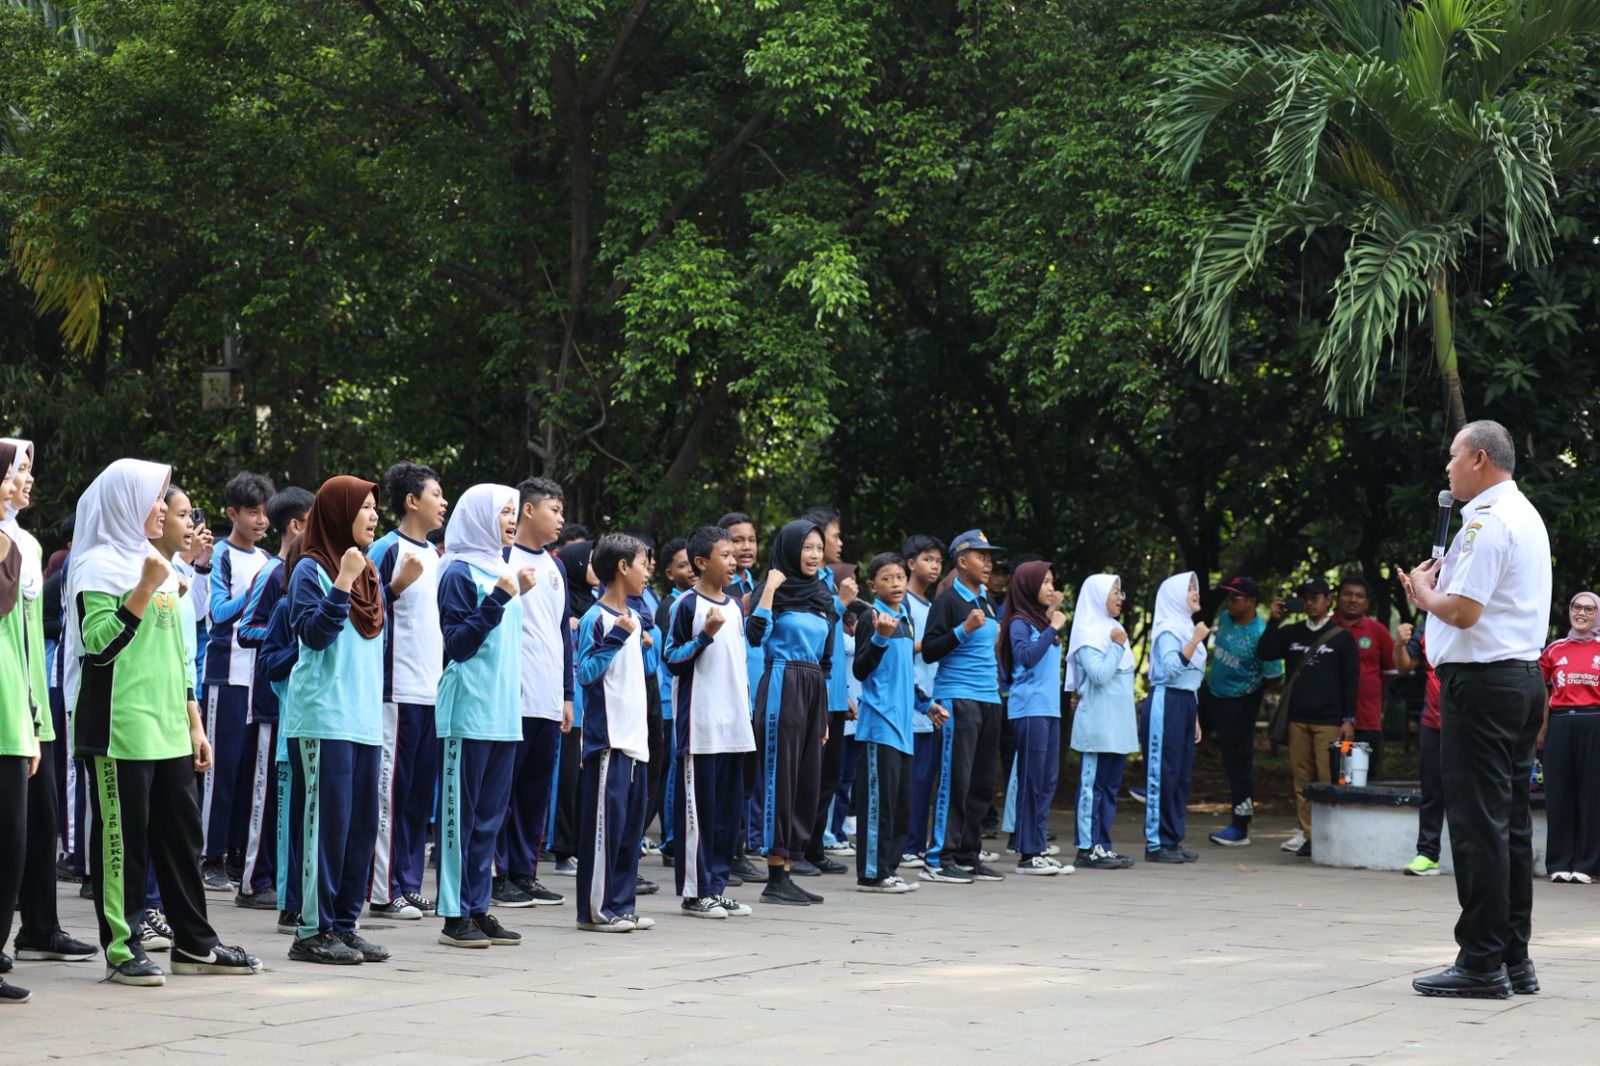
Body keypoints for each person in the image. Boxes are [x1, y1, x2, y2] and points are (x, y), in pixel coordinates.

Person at [68, 458, 261, 986]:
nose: (164, 510)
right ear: (127, 503)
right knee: (122, 843)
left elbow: (180, 655)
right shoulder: (98, 566)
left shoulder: (160, 566)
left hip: (170, 727)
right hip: (118, 729)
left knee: (183, 840)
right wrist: (141, 589)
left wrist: (195, 723)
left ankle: (195, 944)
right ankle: (123, 947)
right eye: (156, 499)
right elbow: (97, 645)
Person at [1400, 420, 1551, 999]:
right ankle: (1514, 957)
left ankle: (1481, 961)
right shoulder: (1525, 515)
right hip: (1515, 681)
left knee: (1477, 825)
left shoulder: (1489, 522)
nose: (1448, 467)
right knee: (1508, 822)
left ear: (1481, 459)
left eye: (1454, 457)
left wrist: (1420, 591)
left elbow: (1463, 612)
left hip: (1484, 686)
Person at [283, 476, 389, 965]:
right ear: (337, 512)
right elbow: (313, 634)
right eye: (364, 507)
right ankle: (311, 930)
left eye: (374, 508)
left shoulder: (368, 572)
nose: (372, 516)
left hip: (363, 720)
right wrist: (342, 581)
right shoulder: (313, 568)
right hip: (324, 720)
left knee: (359, 827)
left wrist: (356, 576)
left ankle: (344, 924)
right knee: (324, 829)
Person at [2, 438, 97, 967]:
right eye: (19, 469)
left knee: (42, 821)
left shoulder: (32, 545)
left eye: (29, 470)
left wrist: (39, 706)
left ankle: (40, 927)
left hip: (35, 696)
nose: (27, 479)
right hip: (9, 700)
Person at [434, 484, 532, 948]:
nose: (512, 520)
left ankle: (478, 905)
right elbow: (457, 644)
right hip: (467, 711)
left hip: (502, 713)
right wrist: (497, 598)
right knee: (460, 818)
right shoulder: (457, 571)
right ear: (479, 516)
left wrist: (508, 591)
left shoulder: (503, 570)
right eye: (504, 512)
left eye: (513, 512)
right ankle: (454, 915)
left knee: (490, 819)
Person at [367, 463, 448, 920]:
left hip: (429, 690)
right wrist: (395, 587)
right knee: (389, 795)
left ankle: (410, 882)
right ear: (412, 500)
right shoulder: (385, 549)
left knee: (418, 796)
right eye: (436, 494)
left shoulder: (436, 555)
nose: (443, 502)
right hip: (394, 690)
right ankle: (383, 890)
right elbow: (364, 610)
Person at [662, 525, 756, 917]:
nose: (733, 561)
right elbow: (672, 659)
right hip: (700, 729)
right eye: (725, 555)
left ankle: (717, 885)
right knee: (698, 813)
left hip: (734, 727)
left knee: (726, 813)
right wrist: (704, 636)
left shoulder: (735, 607)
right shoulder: (686, 605)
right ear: (701, 563)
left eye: (735, 554)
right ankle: (695, 891)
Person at [231, 487, 315, 911]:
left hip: (297, 704)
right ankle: (251, 881)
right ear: (297, 526)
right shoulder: (272, 573)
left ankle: (279, 877)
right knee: (264, 795)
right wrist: (290, 634)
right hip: (268, 701)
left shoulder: (310, 571)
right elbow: (247, 629)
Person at [492, 477, 571, 908]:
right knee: (503, 790)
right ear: (527, 510)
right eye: (554, 510)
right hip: (510, 697)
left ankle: (525, 870)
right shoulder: (500, 557)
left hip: (545, 698)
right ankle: (497, 872)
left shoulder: (556, 567)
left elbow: (562, 635)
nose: (560, 519)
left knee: (535, 791)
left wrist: (566, 694)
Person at [745, 518, 833, 905]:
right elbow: (754, 635)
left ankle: (789, 868)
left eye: (819, 548)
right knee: (780, 778)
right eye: (807, 548)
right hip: (783, 681)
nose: (814, 555)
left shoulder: (822, 594)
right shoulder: (773, 588)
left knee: (805, 782)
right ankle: (774, 874)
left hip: (813, 687)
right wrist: (770, 591)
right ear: (790, 548)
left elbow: (826, 660)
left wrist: (824, 714)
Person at [573, 533, 654, 932]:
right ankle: (596, 909)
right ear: (622, 567)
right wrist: (617, 637)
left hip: (634, 740)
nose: (647, 571)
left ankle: (622, 904)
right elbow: (585, 674)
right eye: (643, 563)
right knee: (604, 828)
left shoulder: (635, 616)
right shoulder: (596, 618)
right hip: (607, 741)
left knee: (628, 829)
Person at [200, 470, 276, 893]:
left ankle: (234, 855)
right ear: (232, 513)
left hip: (257, 680)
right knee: (220, 771)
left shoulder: (267, 561)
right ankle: (209, 855)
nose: (260, 521)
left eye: (265, 513)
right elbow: (217, 612)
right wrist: (254, 595)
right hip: (225, 676)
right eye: (252, 513)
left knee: (250, 774)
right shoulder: (223, 556)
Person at [920, 529, 1007, 883]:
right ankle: (939, 856)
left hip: (988, 698)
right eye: (981, 556)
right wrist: (963, 630)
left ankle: (970, 853)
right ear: (961, 561)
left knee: (982, 783)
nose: (988, 563)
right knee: (956, 779)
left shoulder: (985, 598)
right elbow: (929, 649)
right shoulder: (949, 600)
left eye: (990, 557)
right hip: (957, 697)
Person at [846, 552, 932, 894]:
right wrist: (880, 636)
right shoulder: (871, 618)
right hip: (878, 726)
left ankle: (890, 869)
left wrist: (927, 705)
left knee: (900, 805)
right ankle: (871, 873)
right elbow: (861, 670)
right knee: (877, 805)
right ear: (873, 585)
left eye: (899, 577)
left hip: (903, 728)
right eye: (887, 578)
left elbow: (904, 674)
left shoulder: (905, 618)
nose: (895, 584)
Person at [1258, 577, 1358, 857]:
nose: (1311, 602)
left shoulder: (1341, 637)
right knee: (1301, 779)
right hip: (1297, 719)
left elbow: (1351, 681)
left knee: (1326, 778)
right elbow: (1264, 651)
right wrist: (1273, 620)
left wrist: (1348, 719)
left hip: (1329, 720)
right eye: (1307, 597)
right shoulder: (1291, 633)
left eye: (1317, 597)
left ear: (1329, 601)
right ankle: (1309, 834)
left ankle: (1328, 835)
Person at [997, 560, 1067, 875]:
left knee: (1047, 780)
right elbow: (1025, 657)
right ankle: (1027, 853)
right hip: (1029, 710)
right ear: (1027, 586)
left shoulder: (1040, 622)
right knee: (1032, 780)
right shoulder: (1018, 622)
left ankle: (1037, 846)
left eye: (1052, 582)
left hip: (1049, 709)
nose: (1051, 588)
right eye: (1045, 583)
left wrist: (1050, 624)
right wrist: (1052, 626)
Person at [1203, 576, 1282, 847]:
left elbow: (1274, 675)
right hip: (1212, 693)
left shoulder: (1260, 634)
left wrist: (1251, 690)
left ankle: (1240, 824)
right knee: (1182, 734)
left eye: (1236, 597)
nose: (1229, 602)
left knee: (1237, 762)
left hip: (1239, 702)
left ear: (1251, 602)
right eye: (1229, 597)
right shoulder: (1225, 618)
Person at [1066, 573, 1138, 870]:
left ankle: (1102, 845)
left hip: (1117, 724)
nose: (1121, 598)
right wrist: (1118, 646)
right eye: (1115, 592)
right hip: (1097, 724)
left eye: (1121, 592)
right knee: (1091, 786)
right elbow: (1098, 675)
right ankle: (1086, 847)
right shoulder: (1088, 633)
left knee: (1109, 787)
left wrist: (1118, 642)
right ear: (1097, 595)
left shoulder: (1114, 629)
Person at [0, 446, 38, 1002]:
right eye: (14, 472)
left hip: (9, 707)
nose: (23, 481)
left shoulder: (15, 542)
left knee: (12, 841)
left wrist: (30, 720)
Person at [801, 507, 853, 877]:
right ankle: (797, 848)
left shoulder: (828, 580)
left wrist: (845, 691)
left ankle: (815, 846)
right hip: (809, 694)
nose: (836, 545)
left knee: (828, 777)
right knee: (807, 776)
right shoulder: (801, 582)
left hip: (834, 694)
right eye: (832, 537)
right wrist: (841, 603)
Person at [718, 511, 768, 886]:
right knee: (724, 781)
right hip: (727, 698)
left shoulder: (757, 584)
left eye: (750, 539)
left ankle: (737, 851)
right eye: (737, 540)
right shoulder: (721, 588)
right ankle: (721, 854)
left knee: (746, 782)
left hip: (756, 696)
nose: (746, 547)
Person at [1536, 590, 1600, 885]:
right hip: (1561, 723)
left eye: (1589, 609)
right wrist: (1541, 728)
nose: (1582, 613)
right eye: (1577, 607)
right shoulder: (1554, 650)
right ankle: (1559, 862)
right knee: (1559, 794)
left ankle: (1587, 864)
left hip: (1594, 722)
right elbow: (1541, 690)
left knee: (1592, 795)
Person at [1143, 572, 1207, 864]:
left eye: (1196, 587)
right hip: (1166, 700)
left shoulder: (1186, 626)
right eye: (1189, 588)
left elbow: (1191, 677)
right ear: (1174, 595)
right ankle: (1156, 843)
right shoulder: (1170, 629)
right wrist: (1194, 640)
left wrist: (1194, 715)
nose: (1196, 592)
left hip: (1185, 702)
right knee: (1163, 772)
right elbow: (1169, 670)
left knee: (1180, 775)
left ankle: (1172, 839)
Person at [548, 539, 597, 876]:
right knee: (565, 778)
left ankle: (576, 845)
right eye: (591, 561)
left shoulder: (593, 604)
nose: (596, 566)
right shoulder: (562, 605)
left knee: (581, 778)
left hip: (588, 704)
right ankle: (561, 848)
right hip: (568, 703)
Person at [900, 533, 945, 867]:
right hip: (910, 703)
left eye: (938, 561)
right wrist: (933, 643)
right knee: (909, 781)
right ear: (911, 563)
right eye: (928, 559)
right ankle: (904, 845)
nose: (934, 566)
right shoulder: (902, 602)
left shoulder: (931, 606)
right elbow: (901, 649)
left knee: (924, 780)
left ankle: (915, 844)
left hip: (930, 704)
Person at [651, 536, 693, 870]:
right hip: (668, 701)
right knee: (669, 773)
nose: (690, 569)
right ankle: (669, 840)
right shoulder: (672, 604)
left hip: (676, 702)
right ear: (668, 573)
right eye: (682, 565)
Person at [1333, 575, 1398, 776]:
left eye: (1359, 596)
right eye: (1348, 594)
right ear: (1337, 598)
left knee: (1363, 777)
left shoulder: (1378, 631)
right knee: (1336, 776)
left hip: (1367, 720)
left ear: (1367, 602)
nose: (1353, 600)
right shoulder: (1326, 629)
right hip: (1330, 720)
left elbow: (1389, 673)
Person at [1397, 617, 1443, 875]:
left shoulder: (1472, 616)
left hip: (1470, 722)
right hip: (1433, 720)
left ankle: (1477, 857)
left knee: (1472, 791)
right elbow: (1405, 664)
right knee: (1432, 791)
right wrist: (1398, 644)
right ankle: (1427, 854)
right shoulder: (1429, 623)